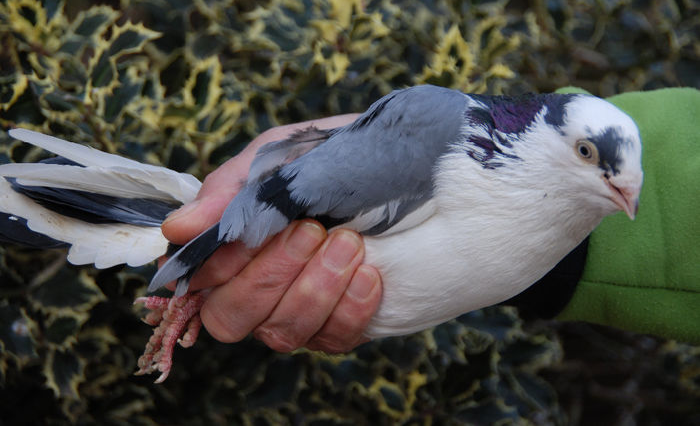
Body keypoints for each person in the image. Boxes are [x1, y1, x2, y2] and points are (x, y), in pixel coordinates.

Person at [161, 88, 700, 349]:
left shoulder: (580, 214)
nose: (621, 197)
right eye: (586, 155)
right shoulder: (443, 140)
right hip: (245, 229)